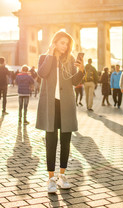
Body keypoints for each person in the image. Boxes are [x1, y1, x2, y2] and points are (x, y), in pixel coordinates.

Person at [35, 30, 84, 193]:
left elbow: (74, 82)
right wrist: (50, 54)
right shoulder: (44, 57)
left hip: (66, 104)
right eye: (62, 42)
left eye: (67, 44)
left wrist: (81, 70)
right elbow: (42, 74)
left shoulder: (69, 59)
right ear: (55, 42)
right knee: (51, 142)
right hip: (50, 105)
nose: (65, 46)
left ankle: (62, 176)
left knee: (65, 141)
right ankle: (50, 179)